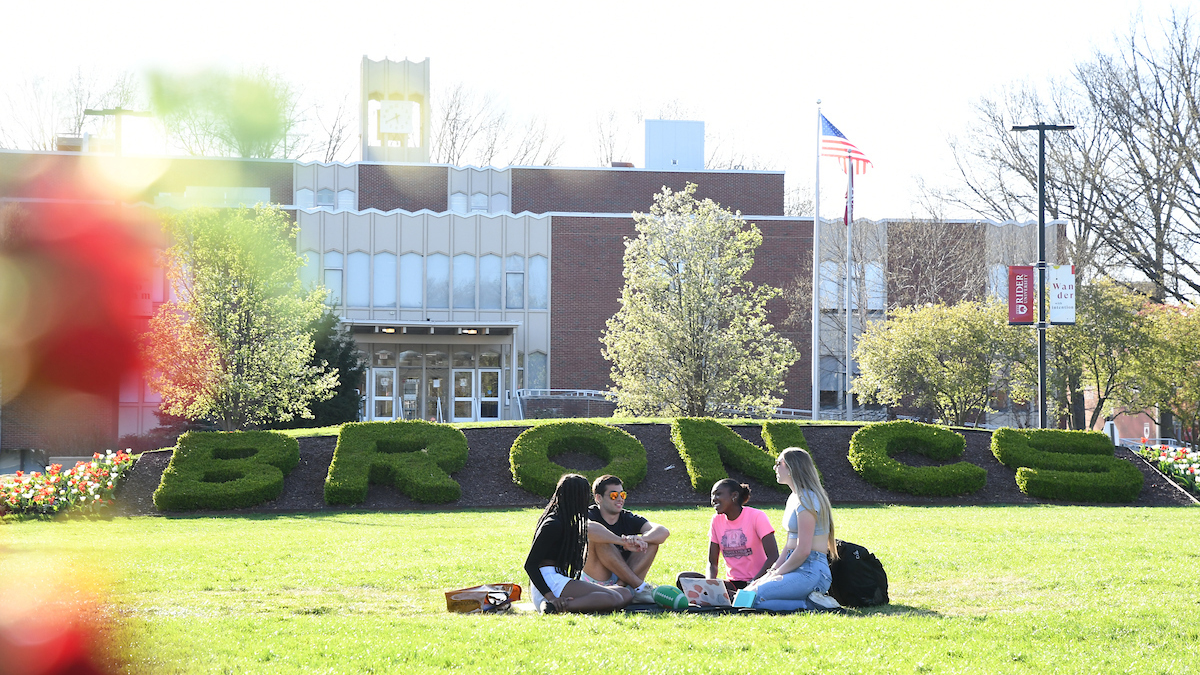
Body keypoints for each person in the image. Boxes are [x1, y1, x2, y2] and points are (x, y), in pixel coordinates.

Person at [524, 473, 638, 613]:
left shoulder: (568, 522)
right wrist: (551, 597)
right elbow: (530, 565)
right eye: (585, 496)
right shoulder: (552, 524)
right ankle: (553, 607)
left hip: (559, 580)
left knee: (624, 594)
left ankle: (564, 604)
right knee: (613, 598)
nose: (587, 501)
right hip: (548, 583)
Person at [744, 448, 841, 610]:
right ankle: (810, 603)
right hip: (794, 565)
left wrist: (777, 574)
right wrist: (771, 572)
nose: (775, 468)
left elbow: (803, 550)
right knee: (747, 594)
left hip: (811, 571)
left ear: (791, 468)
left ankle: (812, 604)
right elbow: (790, 546)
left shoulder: (807, 500)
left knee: (753, 598)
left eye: (778, 463)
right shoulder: (793, 498)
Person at [676, 479, 779, 599]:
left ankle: (737, 597)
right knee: (682, 578)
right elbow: (712, 563)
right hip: (732, 585)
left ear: (734, 496)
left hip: (759, 582)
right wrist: (711, 585)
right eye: (712, 495)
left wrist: (752, 583)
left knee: (743, 595)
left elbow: (773, 557)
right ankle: (731, 597)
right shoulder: (716, 520)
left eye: (718, 494)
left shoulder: (757, 516)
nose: (713, 499)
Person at [582, 474, 670, 603]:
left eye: (622, 495)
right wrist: (622, 541)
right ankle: (639, 587)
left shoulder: (628, 517)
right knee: (598, 540)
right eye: (613, 495)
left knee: (652, 542)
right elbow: (586, 528)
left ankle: (622, 587)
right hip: (599, 578)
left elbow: (663, 531)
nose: (619, 499)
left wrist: (640, 539)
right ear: (598, 498)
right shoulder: (590, 514)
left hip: (626, 578)